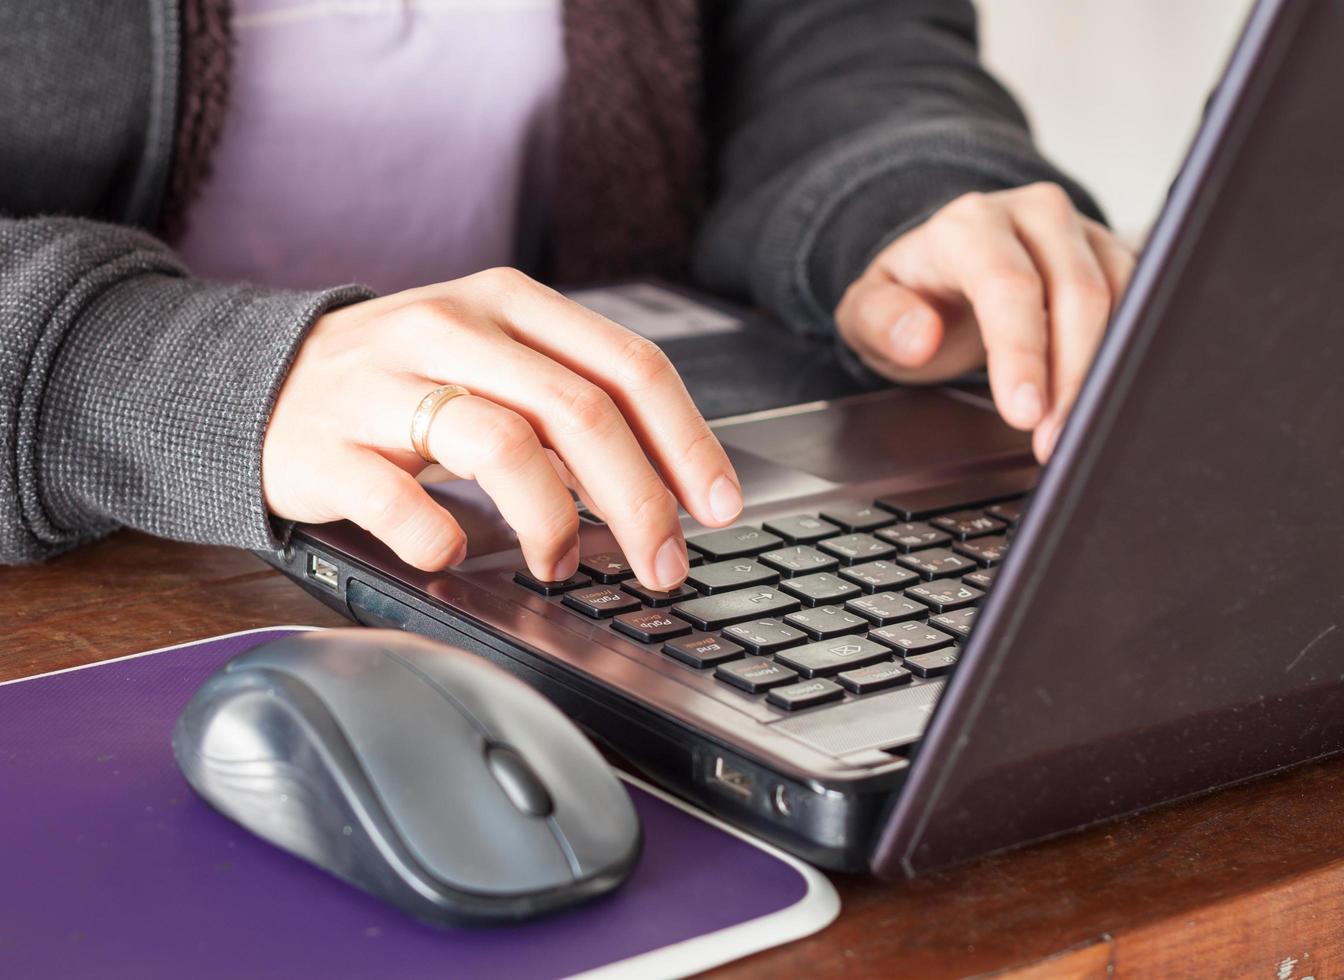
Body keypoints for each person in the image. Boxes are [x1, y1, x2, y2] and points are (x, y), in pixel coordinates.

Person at [0, 0, 1134, 593]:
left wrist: (914, 199)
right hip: (98, 569)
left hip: (574, 534)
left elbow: (836, 37)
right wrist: (168, 375)